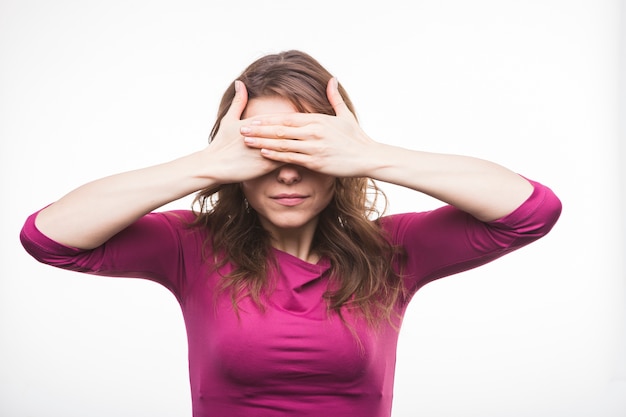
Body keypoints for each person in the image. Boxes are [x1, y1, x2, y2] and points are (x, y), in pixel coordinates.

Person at [20, 50, 562, 417]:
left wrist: (371, 155)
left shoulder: (394, 251)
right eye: (263, 151)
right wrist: (205, 164)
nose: (286, 171)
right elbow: (48, 237)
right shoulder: (190, 246)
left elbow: (531, 211)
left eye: (307, 148)